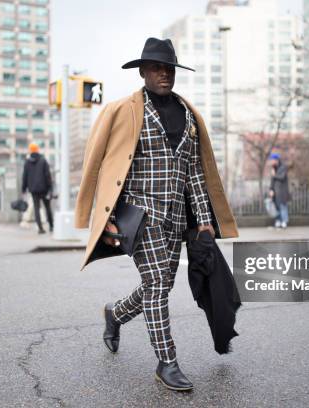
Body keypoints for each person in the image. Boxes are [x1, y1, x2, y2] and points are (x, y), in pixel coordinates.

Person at [74, 37, 239, 391]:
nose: (165, 74)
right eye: (157, 68)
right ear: (144, 72)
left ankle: (114, 314)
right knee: (158, 285)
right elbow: (103, 165)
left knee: (157, 284)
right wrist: (106, 218)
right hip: (140, 215)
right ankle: (167, 361)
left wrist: (204, 220)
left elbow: (195, 170)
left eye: (170, 68)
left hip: (177, 218)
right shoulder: (123, 111)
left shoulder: (188, 114)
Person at [21, 142, 54, 234]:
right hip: (44, 189)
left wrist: (23, 189)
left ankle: (40, 228)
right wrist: (50, 188)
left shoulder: (27, 162)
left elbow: (25, 176)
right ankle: (51, 226)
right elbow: (48, 176)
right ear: (37, 150)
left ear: (30, 150)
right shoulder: (43, 160)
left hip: (33, 190)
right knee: (47, 208)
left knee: (37, 208)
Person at [268, 153, 290, 228]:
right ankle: (279, 221)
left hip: (282, 191)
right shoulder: (273, 168)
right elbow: (272, 180)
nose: (271, 161)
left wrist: (274, 175)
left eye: (272, 160)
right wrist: (271, 189)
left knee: (283, 207)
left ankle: (284, 221)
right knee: (276, 207)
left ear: (276, 160)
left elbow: (282, 177)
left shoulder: (283, 167)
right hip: (275, 191)